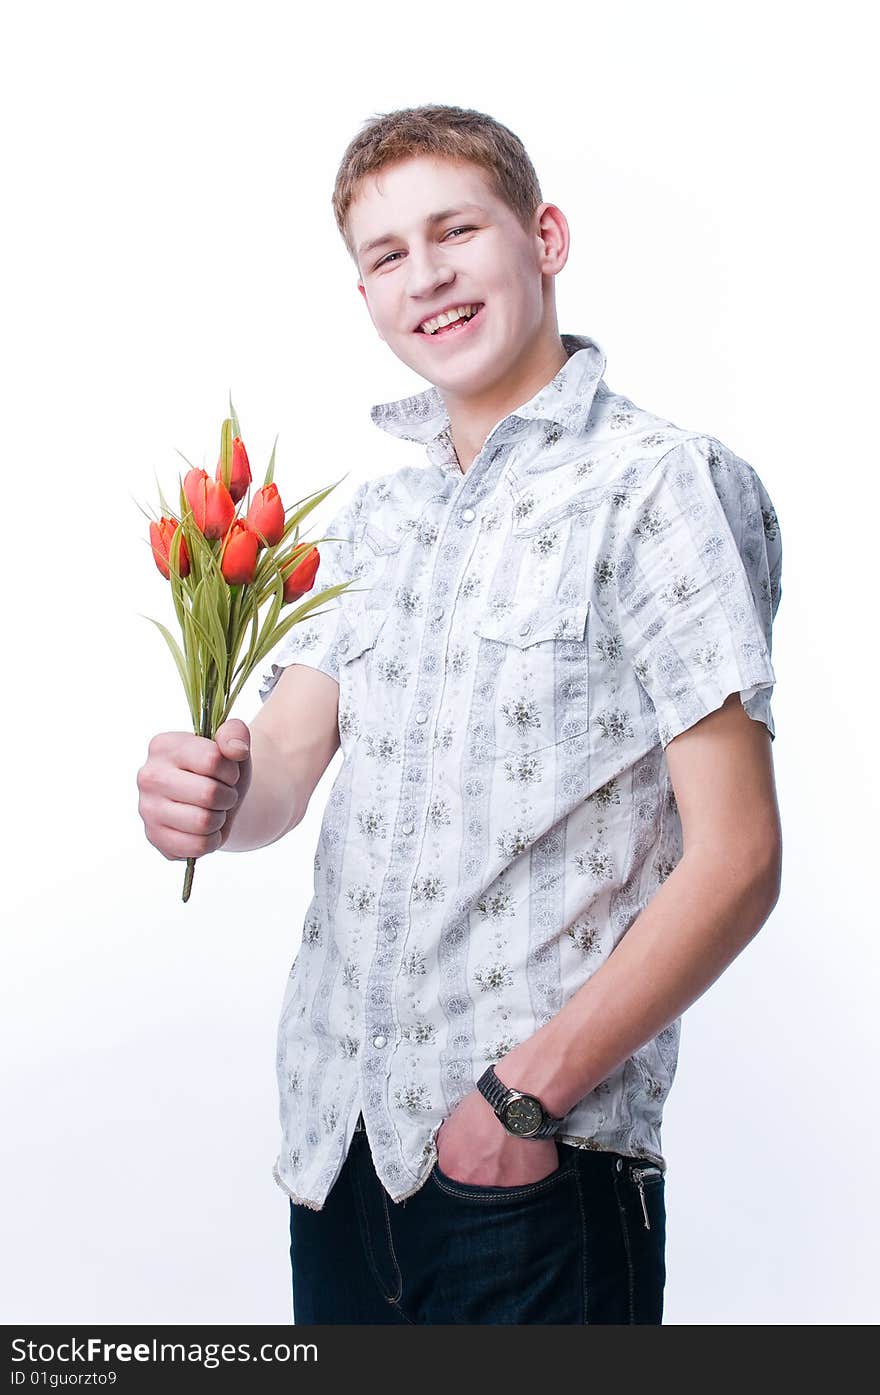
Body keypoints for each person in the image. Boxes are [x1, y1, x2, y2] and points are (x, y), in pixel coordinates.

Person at [137, 104, 783, 1325]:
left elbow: (740, 855)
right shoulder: (376, 520)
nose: (423, 276)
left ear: (542, 236)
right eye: (384, 255)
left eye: (454, 231)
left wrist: (521, 1103)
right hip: (337, 1159)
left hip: (530, 1171)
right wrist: (210, 797)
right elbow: (280, 768)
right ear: (365, 293)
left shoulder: (661, 486)